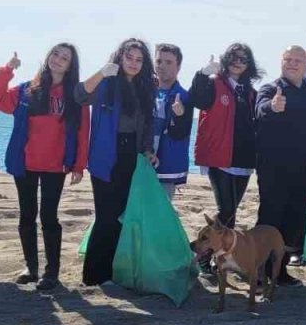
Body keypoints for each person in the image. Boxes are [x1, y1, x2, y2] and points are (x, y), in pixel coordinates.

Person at [0, 44, 90, 291]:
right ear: (48, 57)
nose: (58, 60)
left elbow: (83, 131)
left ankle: (51, 272)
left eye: (65, 58)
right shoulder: (27, 89)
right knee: (26, 215)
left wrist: (79, 165)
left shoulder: (76, 95)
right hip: (25, 162)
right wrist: (7, 70)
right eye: (56, 54)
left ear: (70, 65)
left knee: (49, 217)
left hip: (56, 165)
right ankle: (31, 268)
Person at [75, 38, 159, 287]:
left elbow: (147, 125)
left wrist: (147, 150)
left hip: (131, 156)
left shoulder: (146, 87)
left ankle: (110, 273)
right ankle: (93, 276)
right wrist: (101, 73)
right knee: (105, 216)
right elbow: (79, 95)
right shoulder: (107, 82)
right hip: (105, 155)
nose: (133, 63)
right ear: (120, 58)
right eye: (129, 58)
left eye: (139, 59)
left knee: (120, 216)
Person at [255, 46, 306, 286]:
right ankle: (259, 269)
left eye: (298, 60)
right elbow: (260, 109)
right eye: (288, 59)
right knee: (270, 219)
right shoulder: (270, 88)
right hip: (275, 169)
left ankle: (280, 269)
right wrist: (272, 107)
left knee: (295, 221)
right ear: (281, 61)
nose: (293, 64)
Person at [190, 43, 261, 231]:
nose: (238, 62)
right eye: (234, 57)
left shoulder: (251, 93)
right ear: (226, 59)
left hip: (243, 159)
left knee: (231, 214)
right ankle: (202, 253)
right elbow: (197, 99)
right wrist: (203, 74)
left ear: (249, 64)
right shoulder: (214, 83)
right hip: (219, 157)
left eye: (243, 59)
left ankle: (219, 255)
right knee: (226, 210)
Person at [152, 43, 193, 201]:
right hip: (141, 163)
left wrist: (180, 115)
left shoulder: (184, 96)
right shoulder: (144, 91)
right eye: (159, 61)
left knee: (161, 213)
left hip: (167, 166)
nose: (162, 66)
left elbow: (182, 133)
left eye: (168, 62)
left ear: (179, 66)